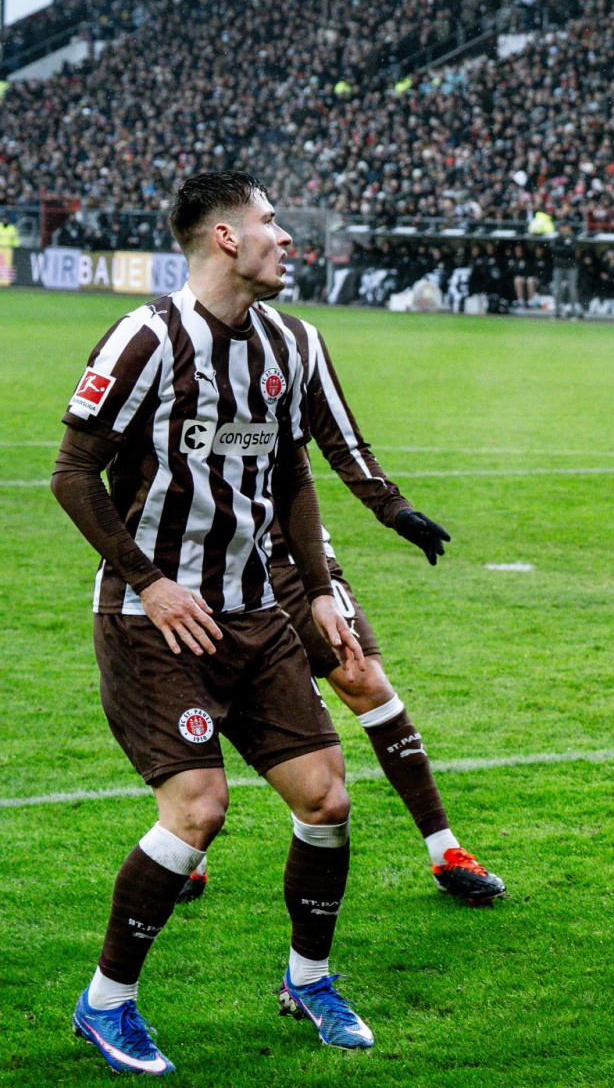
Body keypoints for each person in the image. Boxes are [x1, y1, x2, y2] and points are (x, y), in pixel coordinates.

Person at [51, 173, 376, 1073]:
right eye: (270, 220)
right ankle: (105, 1002)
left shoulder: (287, 343)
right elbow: (72, 472)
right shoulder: (148, 337)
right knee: (198, 807)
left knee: (326, 798)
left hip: (254, 609)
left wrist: (319, 590)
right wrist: (150, 582)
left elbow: (292, 472)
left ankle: (309, 980)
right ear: (226, 236)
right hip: (153, 619)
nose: (285, 235)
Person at [175, 319, 503, 907]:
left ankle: (445, 849)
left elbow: (341, 439)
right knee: (214, 687)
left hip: (290, 549)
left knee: (363, 678)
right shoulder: (167, 338)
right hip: (204, 554)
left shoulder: (297, 341)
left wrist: (394, 509)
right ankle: (186, 845)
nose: (281, 264)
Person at [549, 223, 581, 318]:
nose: (564, 230)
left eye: (565, 227)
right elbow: (554, 250)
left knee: (572, 290)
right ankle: (556, 312)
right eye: (562, 228)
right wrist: (566, 248)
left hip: (571, 267)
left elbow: (573, 251)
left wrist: (563, 250)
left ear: (568, 228)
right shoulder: (557, 238)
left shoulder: (573, 238)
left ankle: (573, 312)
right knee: (556, 290)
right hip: (559, 266)